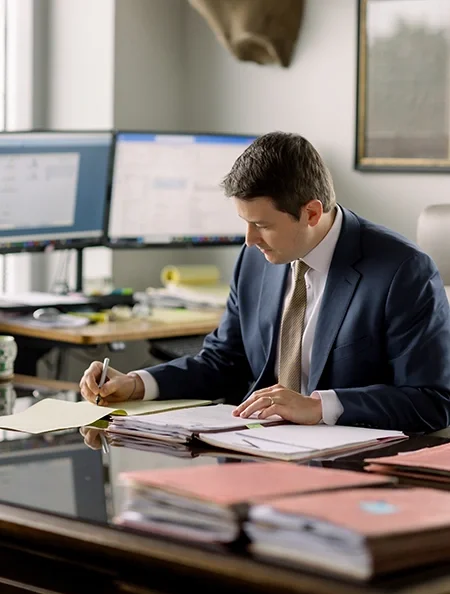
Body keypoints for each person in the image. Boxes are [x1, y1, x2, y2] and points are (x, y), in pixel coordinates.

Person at [80, 131, 450, 449]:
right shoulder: (256, 258)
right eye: (245, 223)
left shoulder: (402, 271)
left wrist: (319, 406)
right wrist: (136, 384)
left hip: (349, 466)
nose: (249, 239)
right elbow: (223, 361)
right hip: (255, 447)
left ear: (311, 213)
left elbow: (432, 401)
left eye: (262, 225)